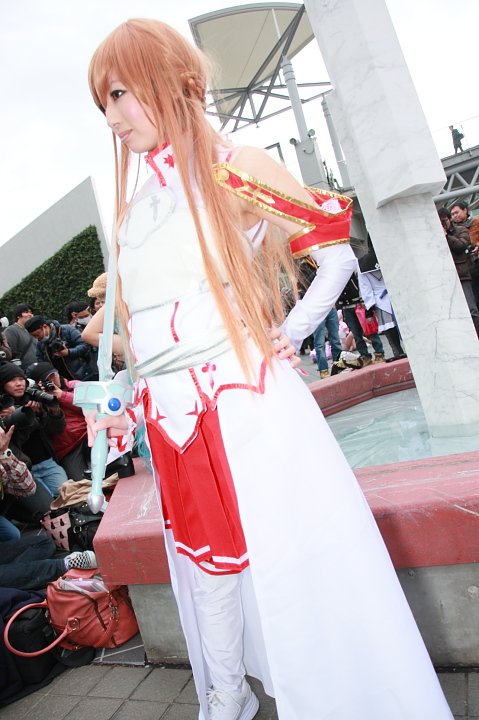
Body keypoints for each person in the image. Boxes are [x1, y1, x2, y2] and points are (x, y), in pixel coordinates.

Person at [86, 20, 453, 720]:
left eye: (120, 94)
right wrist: (126, 398)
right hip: (172, 413)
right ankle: (225, 698)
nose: (112, 117)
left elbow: (334, 254)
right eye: (104, 101)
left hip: (241, 399)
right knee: (205, 561)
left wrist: (291, 332)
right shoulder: (137, 204)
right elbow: (142, 322)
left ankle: (324, 700)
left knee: (290, 556)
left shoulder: (235, 166)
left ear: (168, 82)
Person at [357, 248, 407, 361]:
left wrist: (369, 307)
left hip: (381, 300)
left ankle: (397, 351)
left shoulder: (362, 262)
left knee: (389, 327)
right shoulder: (390, 253)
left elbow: (365, 287)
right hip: (399, 294)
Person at [438, 207, 479, 338]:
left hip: (462, 274)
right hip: (445, 277)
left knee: (472, 309)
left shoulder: (460, 230)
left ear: (449, 219)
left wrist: (446, 236)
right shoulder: (434, 235)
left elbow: (461, 246)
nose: (442, 224)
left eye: (444, 221)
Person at [24, 315, 95, 381]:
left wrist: (68, 352)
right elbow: (41, 362)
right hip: (61, 381)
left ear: (45, 327)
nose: (37, 337)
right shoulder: (40, 344)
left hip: (83, 375)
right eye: (34, 336)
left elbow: (84, 345)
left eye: (37, 334)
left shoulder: (67, 330)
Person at [450, 201, 479, 306]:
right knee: (475, 298)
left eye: (457, 212)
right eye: (453, 214)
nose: (455, 216)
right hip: (467, 267)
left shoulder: (477, 222)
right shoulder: (453, 230)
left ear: (465, 210)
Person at [4, 304, 36, 370]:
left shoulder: (33, 331)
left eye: (31, 312)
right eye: (26, 312)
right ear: (18, 316)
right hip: (22, 371)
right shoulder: (11, 330)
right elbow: (10, 353)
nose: (30, 315)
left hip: (36, 369)